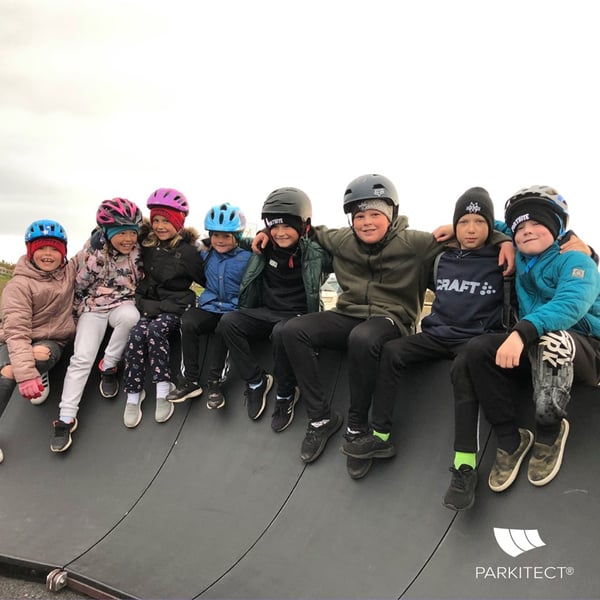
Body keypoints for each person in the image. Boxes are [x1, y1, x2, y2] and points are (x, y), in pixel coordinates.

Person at [280, 174, 514, 475]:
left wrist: (503, 239)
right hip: (349, 313)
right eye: (359, 216)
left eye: (375, 215)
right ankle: (321, 419)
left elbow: (472, 229)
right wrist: (258, 235)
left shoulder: (416, 243)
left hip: (391, 318)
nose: (366, 222)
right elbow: (308, 232)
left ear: (390, 215)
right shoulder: (342, 239)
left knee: (364, 338)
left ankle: (357, 427)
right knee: (292, 330)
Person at [340, 187, 513, 484]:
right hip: (437, 334)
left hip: (474, 339)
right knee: (392, 351)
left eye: (480, 222)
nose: (471, 230)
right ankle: (380, 435)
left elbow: (538, 237)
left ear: (490, 225)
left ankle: (464, 465)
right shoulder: (442, 256)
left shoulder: (503, 257)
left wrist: (506, 238)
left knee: (463, 372)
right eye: (464, 223)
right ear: (455, 225)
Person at [445, 185, 600, 509]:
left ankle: (548, 430)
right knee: (476, 350)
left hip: (584, 348)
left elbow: (570, 304)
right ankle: (509, 439)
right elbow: (496, 224)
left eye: (537, 225)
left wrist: (520, 332)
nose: (527, 232)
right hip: (533, 345)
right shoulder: (522, 254)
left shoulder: (575, 259)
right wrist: (460, 225)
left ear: (557, 228)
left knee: (551, 338)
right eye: (521, 229)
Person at [216, 187, 330, 432]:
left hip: (298, 317)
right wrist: (260, 232)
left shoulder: (316, 252)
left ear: (303, 226)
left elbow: (341, 241)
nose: (280, 233)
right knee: (228, 322)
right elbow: (231, 240)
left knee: (281, 332)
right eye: (274, 227)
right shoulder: (263, 245)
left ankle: (286, 394)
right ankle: (257, 381)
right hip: (267, 311)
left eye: (287, 226)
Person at [50, 198, 144, 452]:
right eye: (121, 233)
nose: (127, 239)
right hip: (92, 307)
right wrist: (74, 318)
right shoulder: (91, 255)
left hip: (122, 304)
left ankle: (109, 365)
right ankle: (66, 418)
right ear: (107, 233)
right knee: (82, 357)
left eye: (131, 233)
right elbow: (76, 288)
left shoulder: (139, 251)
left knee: (131, 318)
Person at [122, 188, 204, 428]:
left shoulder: (188, 252)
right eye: (156, 220)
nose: (160, 226)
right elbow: (118, 239)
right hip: (149, 305)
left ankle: (163, 387)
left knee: (156, 331)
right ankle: (133, 394)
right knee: (137, 334)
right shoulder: (146, 244)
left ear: (177, 223)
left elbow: (207, 278)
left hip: (175, 308)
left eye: (166, 221)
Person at [0, 220, 76, 463]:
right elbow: (16, 332)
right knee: (10, 372)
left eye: (54, 249)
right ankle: (31, 373)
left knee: (41, 353)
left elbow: (92, 249)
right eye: (41, 248)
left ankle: (38, 371)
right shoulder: (18, 286)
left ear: (63, 252)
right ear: (30, 251)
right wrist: (26, 375)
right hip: (16, 342)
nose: (48, 254)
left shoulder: (70, 272)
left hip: (51, 341)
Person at [167, 202, 251, 409]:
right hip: (210, 306)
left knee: (225, 328)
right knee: (187, 322)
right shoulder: (206, 254)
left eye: (226, 236)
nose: (219, 241)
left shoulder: (248, 257)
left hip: (233, 309)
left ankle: (215, 383)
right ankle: (190, 380)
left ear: (237, 237)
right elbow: (182, 244)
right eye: (215, 235)